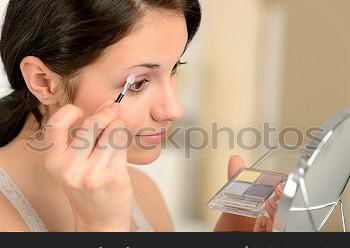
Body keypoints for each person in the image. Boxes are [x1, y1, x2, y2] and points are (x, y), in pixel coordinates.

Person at [0, 0, 279, 232]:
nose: (173, 110)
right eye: (137, 83)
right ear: (44, 82)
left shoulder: (143, 193)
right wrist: (101, 228)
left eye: (174, 69)